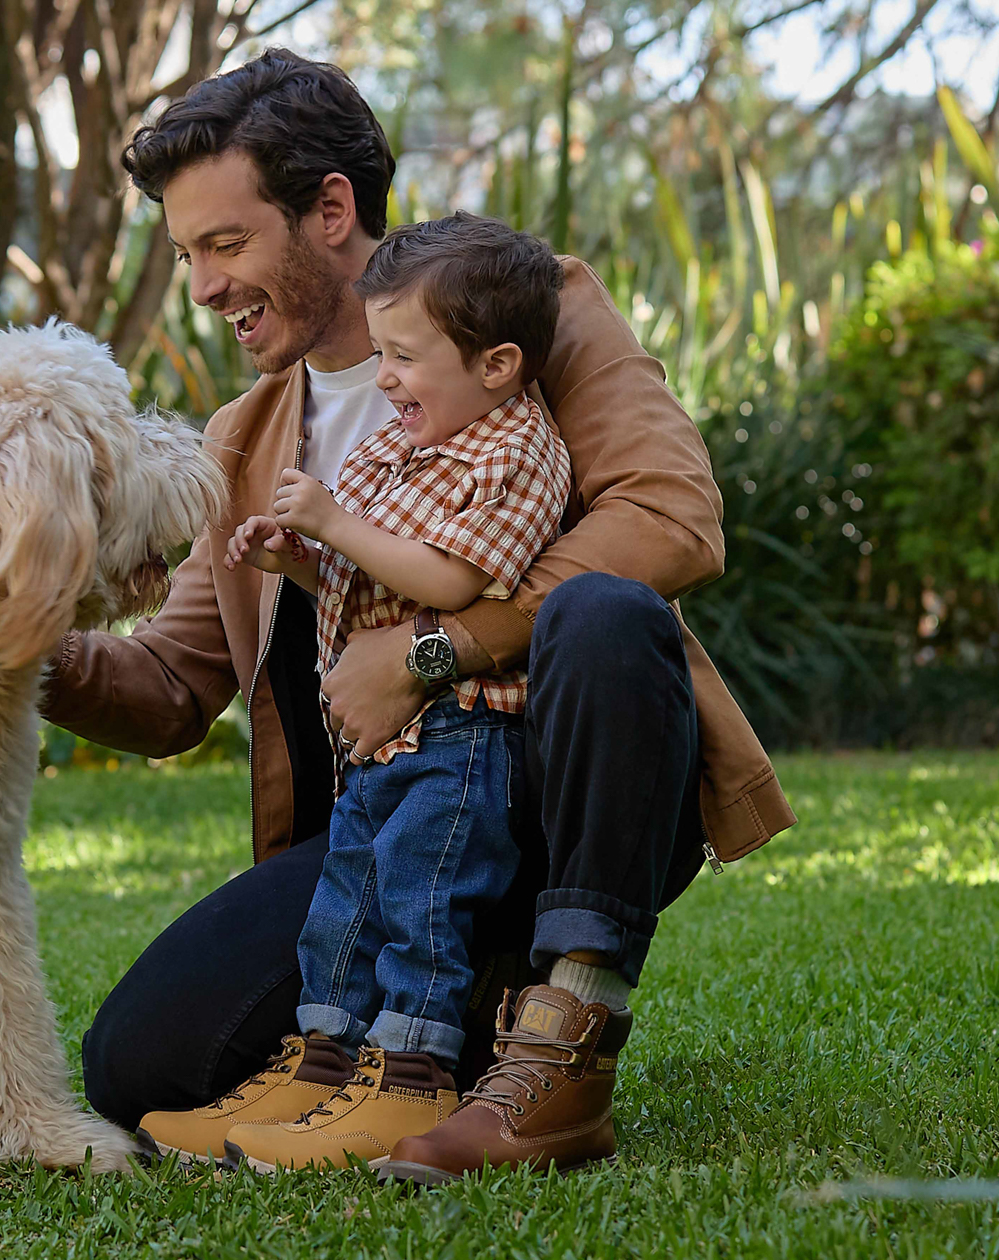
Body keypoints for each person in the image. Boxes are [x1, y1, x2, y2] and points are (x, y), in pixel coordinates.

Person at [41, 47, 796, 1182]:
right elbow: (169, 685)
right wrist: (1, 635)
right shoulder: (246, 439)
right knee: (138, 1065)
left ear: (330, 210)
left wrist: (434, 650)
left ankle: (566, 1033)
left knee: (601, 610)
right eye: (187, 252)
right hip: (381, 824)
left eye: (225, 243)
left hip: (555, 783)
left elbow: (671, 517)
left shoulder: (524, 310)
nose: (200, 286)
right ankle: (439, 1010)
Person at [175, 212, 571, 1172]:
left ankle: (410, 1078)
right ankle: (322, 1068)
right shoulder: (406, 448)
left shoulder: (512, 452)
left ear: (498, 365)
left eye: (402, 355)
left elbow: (448, 583)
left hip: (459, 738)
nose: (383, 376)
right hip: (379, 747)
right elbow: (370, 590)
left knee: (420, 905)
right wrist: (301, 559)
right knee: (344, 905)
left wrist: (334, 522)